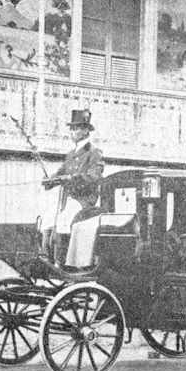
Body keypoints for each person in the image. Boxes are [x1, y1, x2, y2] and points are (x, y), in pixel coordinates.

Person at [41, 109, 105, 265]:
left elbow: (94, 175)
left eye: (75, 129)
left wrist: (73, 179)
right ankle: (45, 258)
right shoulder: (70, 154)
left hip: (83, 200)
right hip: (67, 200)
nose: (71, 132)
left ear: (85, 131)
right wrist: (50, 180)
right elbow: (61, 173)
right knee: (47, 219)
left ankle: (61, 263)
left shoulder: (94, 153)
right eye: (71, 129)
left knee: (63, 220)